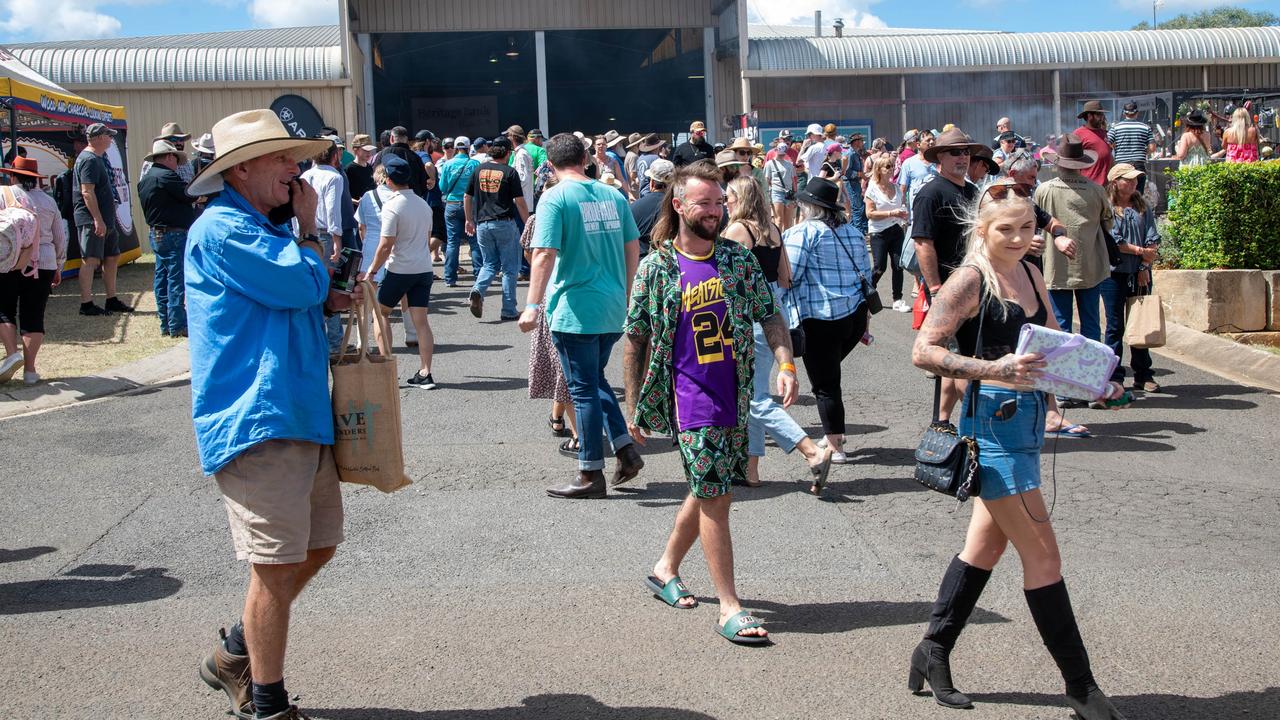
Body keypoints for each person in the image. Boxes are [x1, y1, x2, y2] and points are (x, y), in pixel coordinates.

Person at [909, 177, 1129, 720]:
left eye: (1028, 227)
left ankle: (931, 650)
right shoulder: (968, 280)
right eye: (1006, 229)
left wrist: (1095, 378)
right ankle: (1081, 688)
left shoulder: (1030, 270)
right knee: (1044, 556)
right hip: (992, 427)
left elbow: (1056, 342)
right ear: (981, 229)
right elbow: (923, 350)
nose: (1018, 237)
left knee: (985, 549)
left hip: (1028, 424)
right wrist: (994, 368)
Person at [186, 109, 358, 720]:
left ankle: (236, 648)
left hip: (294, 412)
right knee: (278, 559)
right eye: (284, 158)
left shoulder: (258, 227)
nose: (296, 168)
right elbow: (293, 285)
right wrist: (311, 233)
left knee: (318, 546)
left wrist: (323, 292)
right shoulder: (225, 229)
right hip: (258, 416)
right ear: (241, 170)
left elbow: (294, 295)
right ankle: (266, 701)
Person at [623, 160, 796, 644]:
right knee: (718, 495)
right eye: (705, 203)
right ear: (678, 205)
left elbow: (770, 316)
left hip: (735, 394)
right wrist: (634, 406)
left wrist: (786, 364)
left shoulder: (737, 260)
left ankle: (664, 569)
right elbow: (635, 339)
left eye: (721, 203)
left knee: (706, 486)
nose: (716, 212)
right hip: (688, 399)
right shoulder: (657, 267)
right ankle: (729, 607)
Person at [519, 133, 644, 498]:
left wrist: (530, 305)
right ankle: (624, 449)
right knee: (595, 380)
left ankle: (590, 472)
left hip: (575, 307)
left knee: (583, 389)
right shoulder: (612, 194)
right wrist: (627, 290)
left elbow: (543, 253)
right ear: (586, 158)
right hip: (610, 305)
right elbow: (632, 245)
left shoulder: (554, 197)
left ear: (551, 164)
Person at [722, 175, 834, 492]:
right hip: (775, 312)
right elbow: (785, 277)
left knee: (756, 399)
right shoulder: (772, 230)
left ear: (740, 198)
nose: (725, 200)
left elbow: (725, 281)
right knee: (753, 392)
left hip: (749, 319)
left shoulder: (737, 230)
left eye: (728, 195)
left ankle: (812, 452)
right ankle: (751, 470)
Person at [781, 176, 874, 465]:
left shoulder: (802, 233)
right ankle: (834, 435)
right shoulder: (854, 233)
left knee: (825, 384)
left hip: (820, 317)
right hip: (854, 314)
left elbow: (789, 275)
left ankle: (835, 444)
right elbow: (867, 276)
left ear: (808, 206)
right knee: (829, 377)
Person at [911, 128, 985, 422]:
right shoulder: (930, 193)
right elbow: (922, 243)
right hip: (949, 287)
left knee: (962, 357)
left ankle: (942, 422)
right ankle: (975, 422)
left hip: (975, 285)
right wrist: (935, 287)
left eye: (966, 152)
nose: (963, 157)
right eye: (956, 152)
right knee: (962, 358)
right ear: (939, 157)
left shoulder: (972, 191)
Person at [361, 155, 437, 390]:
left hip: (400, 268)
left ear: (389, 180)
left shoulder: (392, 206)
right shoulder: (423, 204)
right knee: (421, 321)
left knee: (380, 313)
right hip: (423, 267)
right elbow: (426, 238)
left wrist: (372, 271)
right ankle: (426, 372)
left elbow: (386, 244)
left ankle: (387, 368)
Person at [1034, 133, 1113, 346]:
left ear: (1058, 163)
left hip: (1056, 266)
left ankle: (1062, 375)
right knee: (1091, 325)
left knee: (1060, 325)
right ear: (1081, 163)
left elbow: (1036, 221)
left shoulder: (1044, 190)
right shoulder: (1096, 190)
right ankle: (1092, 374)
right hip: (1090, 264)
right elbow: (1109, 223)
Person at [520, 177, 580, 454]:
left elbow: (530, 252)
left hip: (549, 293)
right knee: (564, 367)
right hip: (564, 292)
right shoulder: (575, 212)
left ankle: (561, 420)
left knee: (560, 366)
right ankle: (577, 432)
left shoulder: (539, 217)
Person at [0, 159, 60, 385]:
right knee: (33, 316)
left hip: (9, 261)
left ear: (13, 176)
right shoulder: (48, 201)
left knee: (3, 309)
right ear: (36, 178)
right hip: (44, 261)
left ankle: (11, 354)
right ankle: (30, 372)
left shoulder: (3, 195)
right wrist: (59, 265)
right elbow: (59, 237)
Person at [1104, 163, 1162, 394]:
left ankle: (1143, 375)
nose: (1133, 183)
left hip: (1140, 273)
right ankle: (1115, 376)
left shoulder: (1142, 206)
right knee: (1115, 326)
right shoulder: (1107, 207)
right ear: (1115, 181)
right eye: (1127, 179)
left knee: (1141, 324)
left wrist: (1145, 265)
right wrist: (1141, 253)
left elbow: (1153, 237)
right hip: (1113, 274)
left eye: (1135, 179)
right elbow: (1115, 241)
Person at [465, 136, 529, 321]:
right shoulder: (509, 172)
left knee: (489, 264)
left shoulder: (478, 170)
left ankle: (478, 289)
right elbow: (519, 201)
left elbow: (467, 196)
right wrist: (528, 223)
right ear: (508, 153)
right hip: (504, 222)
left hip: (482, 223)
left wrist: (469, 219)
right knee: (510, 268)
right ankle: (508, 309)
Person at [73, 123, 132, 317]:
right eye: (108, 135)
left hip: (106, 219)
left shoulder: (98, 158)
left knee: (112, 257)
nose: (111, 138)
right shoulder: (89, 160)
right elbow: (87, 192)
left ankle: (111, 299)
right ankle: (86, 303)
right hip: (93, 219)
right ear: (98, 138)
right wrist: (97, 219)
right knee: (90, 259)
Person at [138, 139, 196, 337]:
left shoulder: (146, 179)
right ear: (169, 157)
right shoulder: (167, 176)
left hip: (156, 232)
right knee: (175, 278)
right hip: (173, 233)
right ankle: (177, 324)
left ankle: (165, 321)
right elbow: (189, 195)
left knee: (161, 277)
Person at [299, 138, 348, 353]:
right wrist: (337, 238)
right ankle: (335, 343)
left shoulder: (304, 176)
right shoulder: (334, 177)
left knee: (309, 286)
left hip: (303, 233)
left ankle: (312, 340)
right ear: (334, 154)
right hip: (325, 234)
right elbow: (332, 210)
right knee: (330, 287)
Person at [864, 154, 910, 313]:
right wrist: (892, 213)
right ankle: (867, 295)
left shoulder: (896, 187)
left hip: (896, 229)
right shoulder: (872, 189)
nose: (892, 170)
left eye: (892, 166)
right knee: (879, 267)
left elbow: (901, 207)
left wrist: (902, 214)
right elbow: (869, 214)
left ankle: (898, 299)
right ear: (879, 170)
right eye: (888, 167)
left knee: (898, 265)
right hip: (879, 232)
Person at [439, 136, 481, 285]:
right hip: (472, 204)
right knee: (474, 241)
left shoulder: (447, 164)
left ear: (456, 148)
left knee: (452, 242)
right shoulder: (475, 163)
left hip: (452, 205)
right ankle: (478, 276)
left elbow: (442, 187)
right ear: (469, 148)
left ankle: (450, 278)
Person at [1106, 102, 1154, 192]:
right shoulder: (1145, 127)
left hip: (1121, 166)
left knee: (1120, 195)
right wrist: (1143, 152)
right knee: (1137, 196)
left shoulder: (1116, 128)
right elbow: (1152, 148)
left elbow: (1106, 144)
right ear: (1137, 113)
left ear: (1124, 113)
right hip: (1138, 166)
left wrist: (1115, 147)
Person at [630, 158, 674, 255]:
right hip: (674, 262)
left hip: (641, 263)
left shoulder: (634, 207)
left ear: (652, 183)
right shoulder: (679, 208)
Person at [1075, 100, 1114, 184]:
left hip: (1106, 185)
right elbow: (1073, 162)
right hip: (1089, 185)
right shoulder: (1078, 134)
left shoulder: (1103, 133)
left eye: (1102, 114)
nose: (1102, 117)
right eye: (1099, 115)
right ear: (1089, 116)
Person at [764, 137, 798, 231]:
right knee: (778, 220)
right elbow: (766, 180)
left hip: (789, 193)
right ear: (776, 151)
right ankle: (778, 240)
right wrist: (766, 195)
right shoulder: (770, 164)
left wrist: (795, 194)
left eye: (783, 154)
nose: (782, 156)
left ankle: (787, 241)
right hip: (776, 192)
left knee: (788, 221)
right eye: (780, 154)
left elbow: (793, 180)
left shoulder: (789, 164)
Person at [345, 134, 378, 201]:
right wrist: (355, 201)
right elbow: (344, 194)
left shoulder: (369, 167)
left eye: (370, 149)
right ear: (355, 150)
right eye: (365, 150)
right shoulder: (349, 169)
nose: (369, 152)